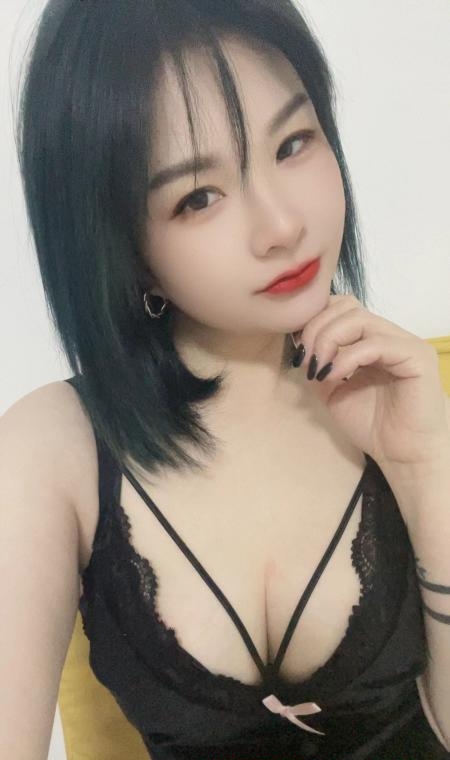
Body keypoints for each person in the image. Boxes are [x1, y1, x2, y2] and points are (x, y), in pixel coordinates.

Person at [1, 1, 449, 759]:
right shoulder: (50, 451)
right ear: (119, 243)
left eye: (294, 143)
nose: (281, 225)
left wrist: (427, 470)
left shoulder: (406, 393)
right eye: (198, 196)